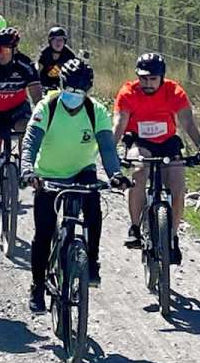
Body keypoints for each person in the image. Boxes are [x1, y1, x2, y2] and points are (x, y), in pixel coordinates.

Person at [21, 58, 130, 312]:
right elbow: (30, 143)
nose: (73, 97)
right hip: (48, 174)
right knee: (44, 233)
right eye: (69, 91)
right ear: (61, 85)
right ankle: (37, 286)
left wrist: (115, 174)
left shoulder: (96, 111)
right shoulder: (46, 107)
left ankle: (91, 261)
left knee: (93, 210)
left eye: (79, 92)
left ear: (87, 91)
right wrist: (27, 169)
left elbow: (106, 147)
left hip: (82, 171)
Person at [114, 52, 200, 266]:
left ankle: (173, 237)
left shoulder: (174, 91)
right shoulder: (128, 92)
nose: (147, 83)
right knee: (139, 171)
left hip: (167, 141)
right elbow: (120, 123)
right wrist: (111, 154)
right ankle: (134, 227)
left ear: (161, 77)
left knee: (178, 186)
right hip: (140, 141)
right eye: (143, 78)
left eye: (152, 79)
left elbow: (187, 121)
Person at [0, 27, 42, 229]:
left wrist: (42, 119)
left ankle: (23, 168)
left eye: (4, 49)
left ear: (14, 49)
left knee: (28, 127)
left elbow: (37, 97)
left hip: (16, 110)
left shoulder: (25, 65)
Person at [36, 26, 77, 92]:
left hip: (63, 87)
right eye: (55, 39)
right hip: (45, 86)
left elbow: (75, 73)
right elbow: (38, 71)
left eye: (61, 40)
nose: (58, 42)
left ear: (64, 42)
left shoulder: (69, 55)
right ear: (50, 42)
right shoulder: (45, 53)